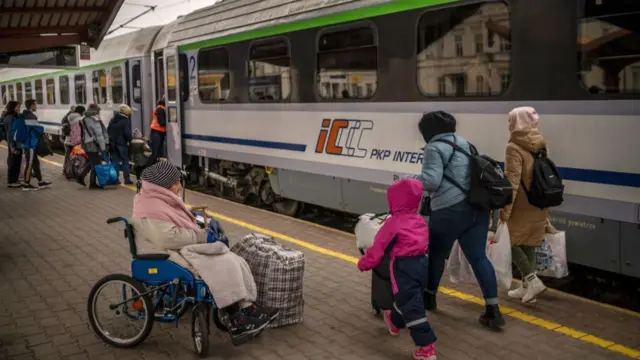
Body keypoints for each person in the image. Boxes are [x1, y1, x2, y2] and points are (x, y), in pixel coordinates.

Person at [131, 161, 279, 345]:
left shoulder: (155, 200)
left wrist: (201, 226)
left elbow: (174, 226)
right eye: (177, 183)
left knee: (234, 259)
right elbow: (167, 238)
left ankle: (247, 308)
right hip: (164, 252)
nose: (180, 186)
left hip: (176, 247)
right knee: (221, 265)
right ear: (164, 186)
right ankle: (236, 320)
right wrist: (202, 236)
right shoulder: (151, 208)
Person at [411, 111, 505, 330]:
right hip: (476, 210)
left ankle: (429, 298)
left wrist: (408, 180)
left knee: (436, 255)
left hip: (449, 210)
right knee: (479, 258)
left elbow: (431, 182)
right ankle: (493, 310)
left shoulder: (434, 148)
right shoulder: (466, 144)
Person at [358, 178, 437, 360]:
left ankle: (426, 348)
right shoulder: (419, 220)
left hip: (403, 268)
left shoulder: (393, 223)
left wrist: (364, 264)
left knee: (412, 306)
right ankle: (393, 321)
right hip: (422, 265)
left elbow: (377, 249)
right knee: (408, 298)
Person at [501, 106, 550, 303]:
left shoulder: (513, 147)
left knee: (508, 242)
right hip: (538, 199)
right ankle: (526, 288)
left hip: (520, 203)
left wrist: (505, 211)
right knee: (528, 241)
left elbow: (512, 182)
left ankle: (532, 279)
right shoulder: (540, 142)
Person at [21, 99, 50, 191]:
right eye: (35, 105)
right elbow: (37, 129)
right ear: (31, 106)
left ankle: (40, 182)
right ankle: (26, 184)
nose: (36, 107)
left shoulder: (24, 115)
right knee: (30, 164)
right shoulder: (30, 116)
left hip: (29, 142)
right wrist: (42, 131)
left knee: (35, 163)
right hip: (30, 143)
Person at [77, 104, 109, 189]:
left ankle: (83, 177)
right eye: (98, 111)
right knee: (97, 164)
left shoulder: (84, 118)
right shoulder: (94, 119)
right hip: (93, 144)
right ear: (95, 111)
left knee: (92, 162)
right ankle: (91, 183)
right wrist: (103, 147)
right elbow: (99, 134)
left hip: (87, 143)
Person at [107, 104, 134, 184]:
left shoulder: (112, 120)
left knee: (115, 162)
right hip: (122, 144)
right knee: (125, 162)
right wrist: (130, 139)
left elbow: (108, 131)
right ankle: (127, 180)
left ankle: (115, 179)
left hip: (113, 144)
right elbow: (127, 133)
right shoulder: (125, 121)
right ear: (126, 113)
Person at [2, 101, 23, 188]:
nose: (19, 108)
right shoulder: (10, 118)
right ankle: (11, 181)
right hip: (13, 143)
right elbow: (10, 133)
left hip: (17, 142)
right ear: (13, 107)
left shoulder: (15, 116)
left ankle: (15, 179)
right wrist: (12, 147)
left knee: (17, 161)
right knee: (13, 162)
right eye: (17, 107)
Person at [62, 106, 85, 171]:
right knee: (76, 157)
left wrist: (70, 111)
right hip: (76, 141)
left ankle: (65, 170)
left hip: (68, 140)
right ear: (82, 112)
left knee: (67, 157)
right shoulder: (81, 119)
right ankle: (73, 171)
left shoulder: (68, 117)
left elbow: (63, 121)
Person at [146, 99, 166, 166]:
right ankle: (147, 169)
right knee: (154, 152)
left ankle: (153, 168)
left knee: (156, 152)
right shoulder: (160, 109)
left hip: (158, 132)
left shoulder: (160, 108)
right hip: (156, 132)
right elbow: (162, 122)